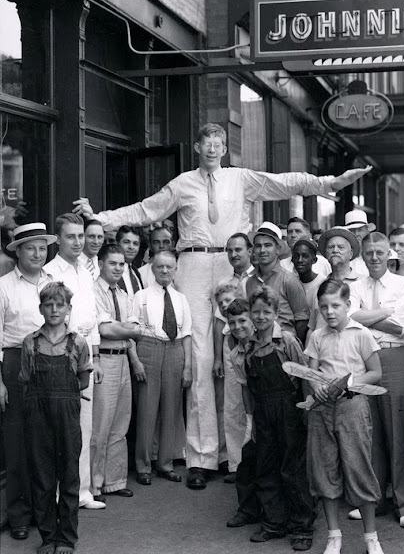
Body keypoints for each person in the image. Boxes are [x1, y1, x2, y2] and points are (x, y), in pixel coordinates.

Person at [73, 121, 370, 488]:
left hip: (232, 263)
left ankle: (238, 457)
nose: (213, 148)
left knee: (238, 358)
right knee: (200, 362)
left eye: (219, 143)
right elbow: (146, 210)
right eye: (207, 142)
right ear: (197, 147)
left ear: (225, 149)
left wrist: (330, 183)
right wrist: (99, 217)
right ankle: (201, 457)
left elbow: (285, 182)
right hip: (194, 265)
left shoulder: (240, 178)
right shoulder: (183, 183)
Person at [233, 286, 316, 550]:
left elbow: (303, 376)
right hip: (263, 414)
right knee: (266, 468)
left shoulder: (287, 341)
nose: (260, 317)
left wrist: (305, 410)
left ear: (275, 312)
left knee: (291, 468)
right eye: (255, 311)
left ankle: (302, 526)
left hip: (289, 410)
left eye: (266, 311)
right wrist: (251, 422)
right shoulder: (247, 347)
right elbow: (248, 388)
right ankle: (273, 523)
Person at [305, 279, 384, 554]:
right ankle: (333, 536)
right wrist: (317, 388)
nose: (330, 312)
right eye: (324, 306)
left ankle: (371, 538)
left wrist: (346, 384)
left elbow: (375, 372)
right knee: (324, 469)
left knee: (359, 467)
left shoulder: (361, 334)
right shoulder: (317, 336)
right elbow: (311, 372)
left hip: (352, 406)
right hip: (322, 409)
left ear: (348, 305)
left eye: (336, 305)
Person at [349, 232, 404, 528]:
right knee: (370, 432)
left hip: (394, 359)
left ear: (389, 253)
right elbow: (349, 319)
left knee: (397, 432)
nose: (374, 257)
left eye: (379, 252)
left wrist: (367, 317)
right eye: (369, 253)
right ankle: (372, 499)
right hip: (364, 359)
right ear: (362, 256)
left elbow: (401, 327)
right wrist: (384, 313)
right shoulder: (355, 285)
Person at [20, 282, 92, 554]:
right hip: (37, 415)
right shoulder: (31, 342)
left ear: (68, 309)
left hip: (67, 415)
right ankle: (49, 536)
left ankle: (67, 538)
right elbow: (25, 380)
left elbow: (83, 379)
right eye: (48, 304)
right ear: (40, 308)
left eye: (59, 305)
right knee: (42, 476)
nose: (53, 309)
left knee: (69, 476)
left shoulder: (78, 342)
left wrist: (64, 398)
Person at [44, 213, 105, 511]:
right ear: (58, 239)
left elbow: (91, 319)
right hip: (60, 354)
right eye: (72, 236)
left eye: (81, 236)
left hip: (86, 355)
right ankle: (58, 496)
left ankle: (81, 492)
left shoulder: (86, 270)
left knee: (84, 426)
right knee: (60, 428)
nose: (79, 242)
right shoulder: (49, 272)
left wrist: (96, 357)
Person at [0, 223, 56, 540]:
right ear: (18, 252)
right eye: (31, 248)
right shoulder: (4, 286)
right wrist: (1, 383)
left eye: (42, 248)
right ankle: (19, 515)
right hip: (14, 363)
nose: (37, 254)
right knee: (19, 442)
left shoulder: (52, 284)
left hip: (50, 363)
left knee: (46, 442)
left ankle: (42, 510)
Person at [130, 251, 192, 485]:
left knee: (171, 409)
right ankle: (143, 465)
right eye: (160, 267)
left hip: (175, 350)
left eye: (169, 267)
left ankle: (165, 463)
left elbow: (186, 334)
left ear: (176, 269)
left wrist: (187, 367)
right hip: (149, 347)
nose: (165, 271)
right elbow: (132, 332)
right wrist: (136, 360)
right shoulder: (141, 296)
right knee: (147, 409)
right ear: (152, 269)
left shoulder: (181, 299)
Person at [91, 244, 143, 502]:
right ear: (100, 263)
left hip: (123, 359)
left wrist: (123, 328)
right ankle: (95, 484)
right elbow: (106, 331)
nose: (118, 268)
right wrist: (127, 329)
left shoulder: (123, 294)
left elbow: (135, 325)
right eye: (113, 263)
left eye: (121, 264)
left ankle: (114, 481)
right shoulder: (93, 291)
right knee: (101, 424)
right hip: (105, 359)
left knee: (120, 424)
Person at [225, 298, 260, 529]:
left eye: (242, 321)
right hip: (256, 411)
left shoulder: (270, 341)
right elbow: (246, 388)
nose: (238, 327)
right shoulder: (235, 353)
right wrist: (250, 421)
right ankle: (247, 510)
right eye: (232, 323)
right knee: (247, 459)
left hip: (280, 408)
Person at [246, 222, 310, 345]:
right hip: (258, 348)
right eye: (258, 246)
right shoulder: (250, 282)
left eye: (268, 245)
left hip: (284, 348)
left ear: (278, 249)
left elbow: (302, 320)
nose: (262, 250)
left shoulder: (289, 280)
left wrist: (293, 347)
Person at [213, 280, 247, 483]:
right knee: (233, 411)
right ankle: (235, 465)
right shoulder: (226, 330)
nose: (224, 305)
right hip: (230, 363)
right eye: (221, 303)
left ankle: (251, 463)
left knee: (249, 412)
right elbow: (220, 335)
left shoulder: (245, 322)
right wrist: (218, 358)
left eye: (228, 300)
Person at [308, 227, 364, 333]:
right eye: (331, 247)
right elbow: (312, 328)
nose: (335, 250)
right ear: (326, 253)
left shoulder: (363, 282)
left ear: (351, 253)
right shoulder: (319, 285)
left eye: (341, 247)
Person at [292, 239, 326, 311]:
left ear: (314, 260)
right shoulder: (290, 283)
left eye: (305, 256)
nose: (300, 260)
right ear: (292, 259)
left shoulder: (323, 283)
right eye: (296, 256)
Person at [342, 209, 376, 277]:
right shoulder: (341, 257)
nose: (356, 234)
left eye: (360, 230)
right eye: (352, 230)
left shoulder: (376, 256)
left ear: (368, 231)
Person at [116, 226, 144, 296]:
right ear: (117, 243)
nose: (131, 247)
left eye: (135, 243)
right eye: (126, 242)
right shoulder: (110, 270)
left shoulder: (136, 272)